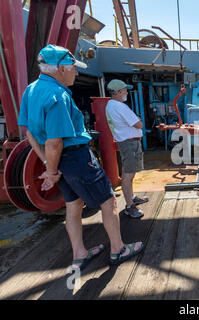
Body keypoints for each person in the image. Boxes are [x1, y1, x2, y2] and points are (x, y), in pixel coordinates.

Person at [18, 45, 144, 271]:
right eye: (73, 68)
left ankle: (80, 253)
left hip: (58, 162)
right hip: (76, 158)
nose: (76, 73)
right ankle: (118, 249)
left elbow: (30, 133)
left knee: (73, 205)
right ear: (61, 68)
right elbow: (55, 142)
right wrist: (53, 170)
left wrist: (49, 166)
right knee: (108, 201)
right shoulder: (58, 96)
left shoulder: (31, 89)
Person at [106, 79, 148, 219]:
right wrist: (137, 118)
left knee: (127, 172)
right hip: (130, 144)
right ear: (118, 92)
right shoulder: (120, 106)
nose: (126, 92)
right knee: (128, 175)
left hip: (126, 143)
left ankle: (132, 197)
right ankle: (129, 206)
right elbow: (139, 124)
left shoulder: (110, 105)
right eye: (124, 90)